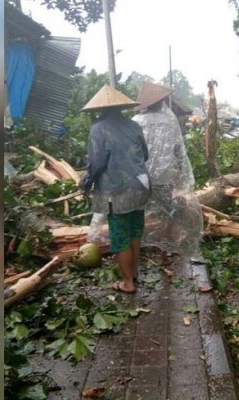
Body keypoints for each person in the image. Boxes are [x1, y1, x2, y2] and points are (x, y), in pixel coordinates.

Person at [80, 84, 150, 293]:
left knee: (120, 237)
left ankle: (127, 282)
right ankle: (133, 272)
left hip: (116, 190)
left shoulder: (98, 129)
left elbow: (96, 162)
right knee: (135, 231)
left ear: (99, 110)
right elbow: (144, 155)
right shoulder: (134, 126)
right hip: (140, 185)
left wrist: (86, 182)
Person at [132, 82, 203, 260]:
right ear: (160, 102)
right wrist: (180, 171)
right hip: (163, 177)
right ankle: (165, 246)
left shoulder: (136, 122)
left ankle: (142, 245)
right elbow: (179, 150)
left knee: (140, 211)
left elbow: (131, 150)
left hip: (140, 176)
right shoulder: (169, 121)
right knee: (166, 211)